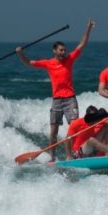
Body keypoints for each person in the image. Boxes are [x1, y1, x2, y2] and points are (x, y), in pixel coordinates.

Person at [16, 19, 95, 161]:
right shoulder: (48, 63)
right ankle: (52, 158)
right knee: (53, 131)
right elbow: (28, 63)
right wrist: (20, 53)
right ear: (55, 51)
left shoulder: (69, 59)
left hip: (70, 99)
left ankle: (72, 155)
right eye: (61, 50)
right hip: (57, 101)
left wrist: (88, 28)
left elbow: (82, 44)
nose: (64, 52)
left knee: (74, 128)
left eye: (64, 50)